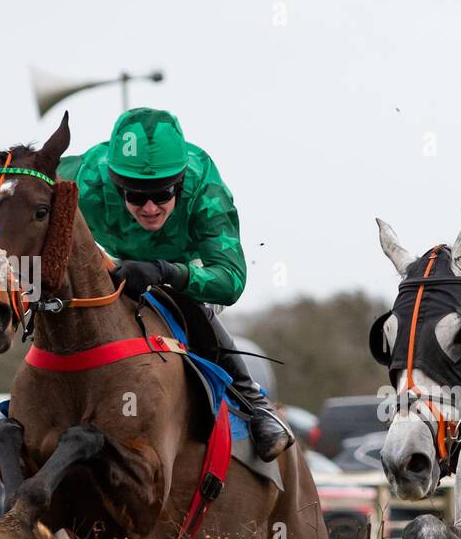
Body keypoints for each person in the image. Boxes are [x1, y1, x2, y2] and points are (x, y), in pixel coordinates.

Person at [57, 108, 293, 462]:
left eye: (163, 194)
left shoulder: (205, 189)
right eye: (136, 196)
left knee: (180, 299)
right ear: (116, 184)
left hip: (185, 266)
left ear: (180, 183)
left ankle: (255, 404)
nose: (150, 207)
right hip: (113, 260)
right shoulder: (82, 176)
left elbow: (229, 280)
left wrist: (166, 271)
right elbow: (27, 180)